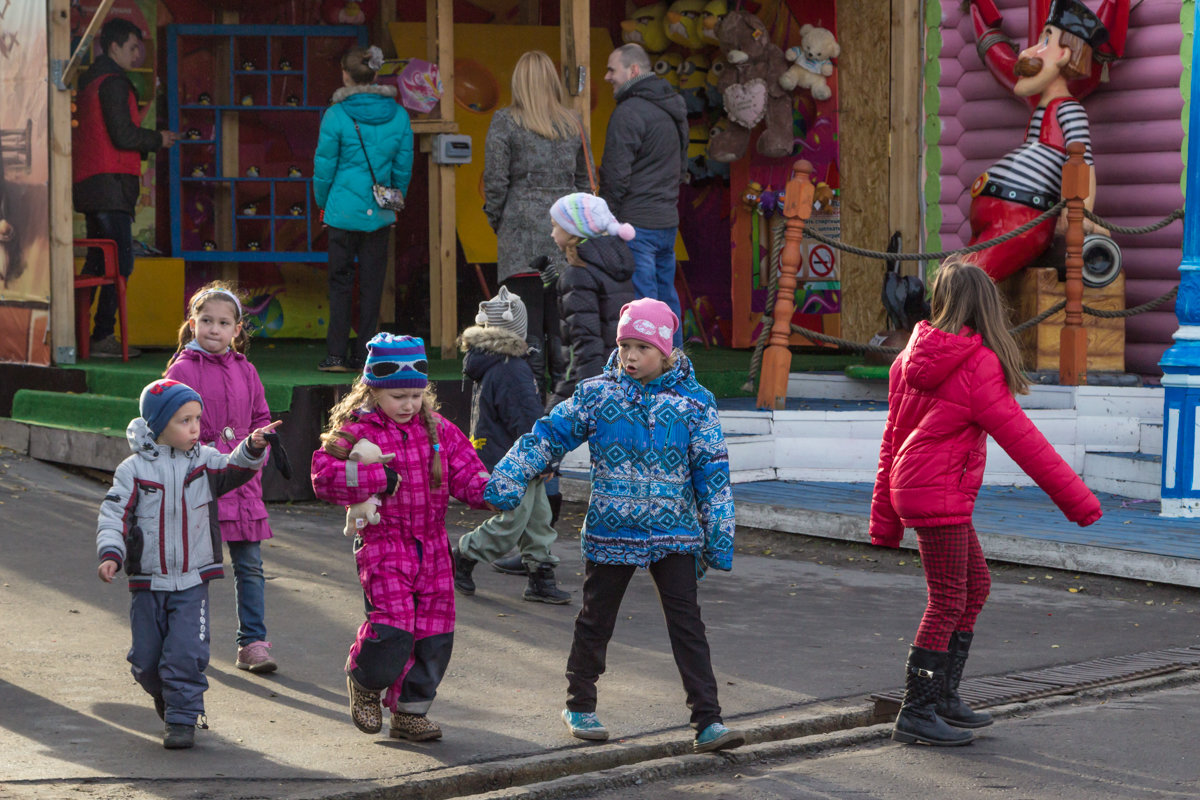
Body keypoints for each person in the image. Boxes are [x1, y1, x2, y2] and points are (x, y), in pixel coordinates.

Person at [485, 298, 744, 754]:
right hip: (612, 529)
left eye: (641, 347)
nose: (629, 356)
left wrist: (718, 535)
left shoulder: (694, 403)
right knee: (595, 621)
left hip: (676, 534)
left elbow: (713, 472)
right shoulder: (598, 395)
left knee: (688, 626)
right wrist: (508, 476)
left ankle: (709, 720)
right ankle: (579, 704)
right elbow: (547, 435)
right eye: (624, 344)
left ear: (666, 351)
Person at [869, 258, 1102, 747]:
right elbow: (1024, 440)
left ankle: (944, 698)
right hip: (939, 494)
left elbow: (891, 440)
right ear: (987, 306)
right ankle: (917, 710)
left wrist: (886, 521)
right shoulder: (976, 364)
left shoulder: (908, 356)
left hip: (918, 488)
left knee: (975, 586)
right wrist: (1080, 503)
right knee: (949, 597)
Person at [310, 333, 492, 741]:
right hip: (383, 542)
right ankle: (366, 682)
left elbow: (467, 473)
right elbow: (323, 478)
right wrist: (377, 476)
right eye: (398, 396)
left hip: (433, 545)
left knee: (435, 632)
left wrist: (494, 492)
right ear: (373, 389)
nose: (408, 404)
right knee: (392, 629)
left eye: (415, 394)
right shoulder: (358, 429)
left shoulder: (438, 429)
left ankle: (411, 711)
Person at [96, 379, 278, 749]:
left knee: (185, 653)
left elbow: (235, 468)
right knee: (146, 661)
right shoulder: (133, 470)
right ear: (158, 424)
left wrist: (253, 446)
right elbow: (113, 514)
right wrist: (111, 553)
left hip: (193, 580)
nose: (195, 428)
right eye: (184, 420)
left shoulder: (206, 460)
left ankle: (182, 717)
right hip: (147, 581)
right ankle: (167, 696)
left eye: (197, 419)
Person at [163, 283, 278, 675]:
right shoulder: (180, 369)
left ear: (237, 329)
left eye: (223, 322)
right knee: (194, 570)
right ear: (192, 324)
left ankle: (253, 644)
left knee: (250, 566)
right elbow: (167, 421)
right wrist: (200, 450)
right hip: (198, 483)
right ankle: (190, 643)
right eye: (206, 321)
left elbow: (261, 417)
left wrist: (256, 447)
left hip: (243, 484)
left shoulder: (247, 369)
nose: (214, 328)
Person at [966, 0, 1109, 282]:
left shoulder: (1069, 110)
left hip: (1022, 216)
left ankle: (943, 323)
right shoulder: (1042, 110)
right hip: (1000, 210)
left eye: (1045, 41)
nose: (1028, 53)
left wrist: (1081, 214)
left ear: (1065, 55)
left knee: (970, 280)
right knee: (963, 274)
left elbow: (1082, 162)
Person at [482, 50, 593, 394]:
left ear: (518, 83)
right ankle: (565, 400)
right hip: (566, 233)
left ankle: (530, 400)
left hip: (520, 232)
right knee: (561, 325)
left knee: (525, 326)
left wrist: (497, 220)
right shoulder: (574, 123)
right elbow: (585, 184)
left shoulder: (504, 121)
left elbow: (495, 181)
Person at [451, 287, 570, 605]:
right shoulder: (511, 368)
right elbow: (527, 421)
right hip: (516, 458)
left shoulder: (490, 362)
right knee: (513, 521)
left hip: (503, 452)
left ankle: (540, 575)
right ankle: (463, 554)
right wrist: (545, 460)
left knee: (538, 518)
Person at [73, 17, 178, 358]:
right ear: (114, 47)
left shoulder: (92, 80)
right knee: (119, 264)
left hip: (94, 184)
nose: (138, 53)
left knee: (98, 263)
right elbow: (123, 135)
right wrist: (158, 139)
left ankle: (79, 334)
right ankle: (102, 336)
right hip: (110, 185)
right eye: (133, 47)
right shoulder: (114, 82)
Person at [313, 45, 413, 372]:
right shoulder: (398, 115)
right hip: (380, 214)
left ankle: (335, 356)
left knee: (340, 284)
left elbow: (324, 167)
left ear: (345, 74)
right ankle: (365, 356)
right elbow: (403, 167)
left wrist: (323, 203)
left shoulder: (336, 114)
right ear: (375, 73)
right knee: (372, 286)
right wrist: (393, 200)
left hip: (341, 211)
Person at [599, 43, 688, 348]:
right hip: (666, 220)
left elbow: (615, 174)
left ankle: (649, 379)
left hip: (637, 223)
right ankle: (676, 367)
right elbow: (682, 164)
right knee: (666, 300)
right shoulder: (672, 106)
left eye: (613, 69)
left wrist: (605, 219)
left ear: (633, 70)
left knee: (644, 305)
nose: (607, 76)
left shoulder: (628, 112)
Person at [546, 192, 636, 407]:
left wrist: (587, 393)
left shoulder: (577, 274)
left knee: (544, 434)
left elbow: (585, 340)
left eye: (555, 226)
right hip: (620, 376)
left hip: (591, 381)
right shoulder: (614, 266)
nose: (551, 234)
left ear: (572, 230)